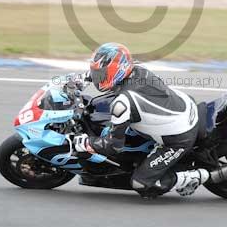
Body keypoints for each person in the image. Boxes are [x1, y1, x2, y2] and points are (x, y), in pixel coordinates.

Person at [71, 42, 209, 198]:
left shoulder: (123, 102)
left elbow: (114, 146)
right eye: (96, 73)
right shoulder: (136, 70)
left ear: (115, 72)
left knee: (141, 183)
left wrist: (87, 142)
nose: (97, 77)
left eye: (101, 74)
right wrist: (80, 79)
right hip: (185, 105)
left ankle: (191, 177)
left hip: (179, 137)